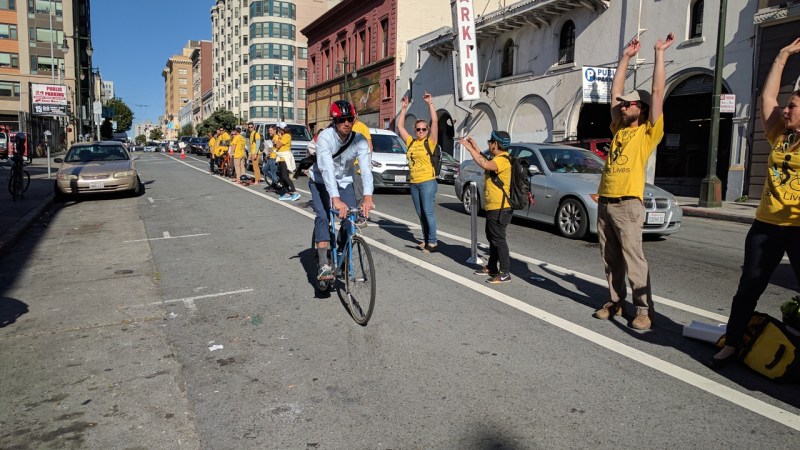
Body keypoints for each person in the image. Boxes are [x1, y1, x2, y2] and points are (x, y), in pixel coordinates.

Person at [709, 37, 800, 368]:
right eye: (787, 105)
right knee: (748, 288)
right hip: (765, 227)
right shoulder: (780, 134)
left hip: (798, 228)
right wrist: (782, 55)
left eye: (792, 106)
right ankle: (733, 343)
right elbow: (767, 97)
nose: (784, 109)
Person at [592, 32, 674, 331]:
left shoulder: (648, 132)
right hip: (606, 202)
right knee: (610, 258)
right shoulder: (618, 129)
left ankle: (643, 309)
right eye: (623, 105)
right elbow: (614, 92)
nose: (624, 106)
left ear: (641, 108)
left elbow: (658, 88)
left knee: (634, 259)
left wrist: (659, 53)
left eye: (630, 104)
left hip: (628, 204)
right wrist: (625, 57)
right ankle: (615, 301)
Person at [310, 100, 374, 280]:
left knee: (350, 218)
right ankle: (323, 264)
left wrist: (368, 196)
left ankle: (340, 251)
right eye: (341, 120)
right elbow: (327, 169)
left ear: (354, 119)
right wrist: (335, 199)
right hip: (321, 181)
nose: (346, 123)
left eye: (349, 119)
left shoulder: (360, 140)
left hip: (344, 181)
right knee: (323, 216)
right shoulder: (325, 137)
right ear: (334, 121)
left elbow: (366, 168)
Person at [460, 131, 514, 284]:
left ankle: (504, 272)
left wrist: (469, 149)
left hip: (500, 207)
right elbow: (486, 161)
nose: (489, 144)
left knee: (498, 239)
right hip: (494, 206)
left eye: (490, 141)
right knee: (492, 237)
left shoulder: (503, 160)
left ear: (496, 144)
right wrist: (475, 147)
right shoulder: (498, 159)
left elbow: (485, 164)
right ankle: (492, 267)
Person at [397, 92, 439, 253]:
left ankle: (433, 242)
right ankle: (426, 238)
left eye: (423, 129)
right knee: (420, 213)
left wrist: (430, 104)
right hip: (414, 182)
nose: (421, 131)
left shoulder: (431, 142)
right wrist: (403, 108)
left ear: (427, 130)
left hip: (428, 181)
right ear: (414, 130)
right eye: (418, 129)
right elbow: (400, 127)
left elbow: (435, 121)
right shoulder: (411, 142)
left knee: (428, 212)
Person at [351, 112, 373, 226]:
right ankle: (352, 215)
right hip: (347, 164)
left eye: (353, 115)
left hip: (357, 164)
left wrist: (366, 164)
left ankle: (359, 217)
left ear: (357, 115)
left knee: (358, 193)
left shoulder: (362, 127)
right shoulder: (347, 125)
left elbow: (369, 145)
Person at [274, 122, 300, 201]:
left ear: (281, 129)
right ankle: (287, 193)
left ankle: (295, 192)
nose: (277, 130)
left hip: (285, 157)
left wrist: (277, 140)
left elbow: (278, 145)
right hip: (281, 157)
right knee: (282, 176)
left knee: (285, 176)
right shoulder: (282, 136)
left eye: (278, 129)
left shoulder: (286, 136)